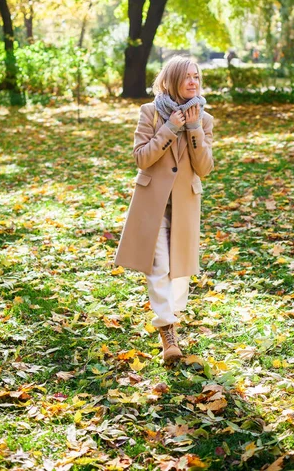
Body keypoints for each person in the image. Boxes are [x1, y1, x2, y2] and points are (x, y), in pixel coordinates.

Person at [114, 55, 214, 363]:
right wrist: (170, 128)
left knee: (179, 271)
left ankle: (171, 317)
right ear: (171, 80)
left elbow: (205, 167)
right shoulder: (150, 113)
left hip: (185, 203)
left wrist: (194, 128)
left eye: (196, 76)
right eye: (187, 77)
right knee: (158, 267)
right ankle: (167, 332)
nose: (193, 82)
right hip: (152, 204)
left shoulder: (205, 119)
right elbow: (142, 158)